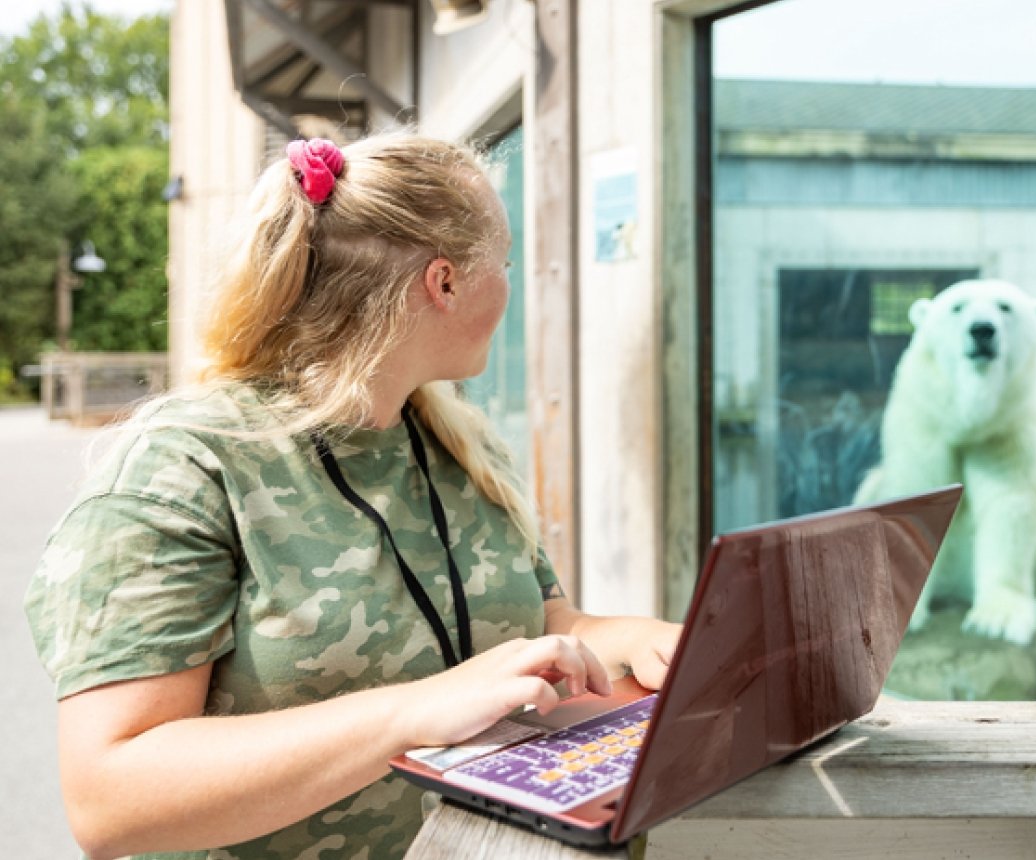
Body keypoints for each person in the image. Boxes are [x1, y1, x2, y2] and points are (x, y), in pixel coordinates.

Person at [24, 133, 681, 860]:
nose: (511, 286)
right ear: (446, 282)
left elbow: (541, 621)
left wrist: (640, 642)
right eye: (506, 264)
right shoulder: (186, 465)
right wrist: (409, 712)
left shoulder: (458, 442)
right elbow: (110, 800)